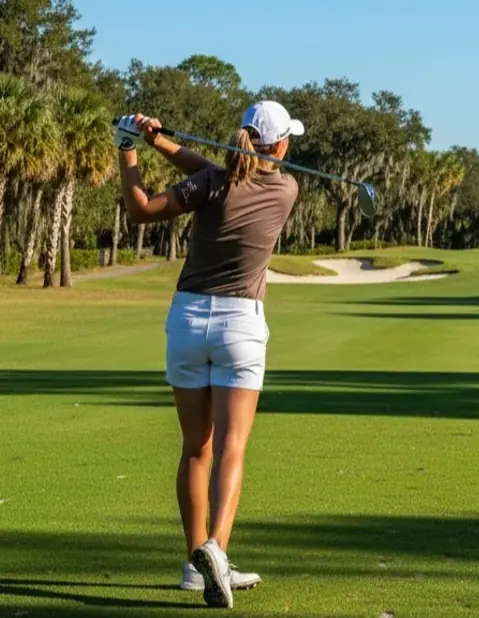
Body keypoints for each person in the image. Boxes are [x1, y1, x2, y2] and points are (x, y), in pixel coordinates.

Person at [114, 101, 303, 609]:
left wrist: (131, 149)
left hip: (188, 321)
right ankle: (217, 550)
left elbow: (142, 211)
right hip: (241, 325)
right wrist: (158, 142)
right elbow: (217, 171)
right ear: (281, 146)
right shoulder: (287, 188)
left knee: (196, 447)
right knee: (232, 448)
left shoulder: (212, 185)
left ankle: (194, 563)